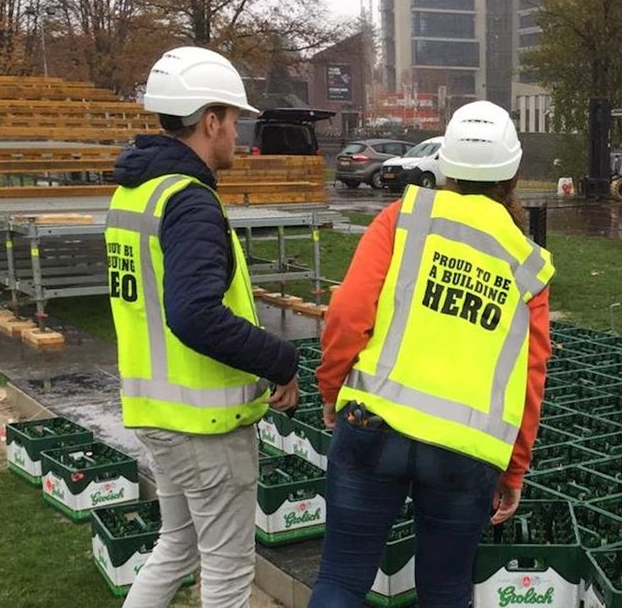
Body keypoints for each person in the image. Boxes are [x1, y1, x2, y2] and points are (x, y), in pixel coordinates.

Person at [309, 101, 553, 607]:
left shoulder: (405, 218)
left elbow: (348, 312)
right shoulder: (527, 262)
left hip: (372, 424)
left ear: (446, 164)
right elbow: (532, 376)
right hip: (464, 453)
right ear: (512, 174)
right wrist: (514, 470)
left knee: (340, 579)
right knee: (444, 593)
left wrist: (332, 390)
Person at [105, 46, 299, 608]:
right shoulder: (189, 201)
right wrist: (279, 359)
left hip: (157, 414)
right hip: (204, 427)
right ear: (210, 121)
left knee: (177, 547)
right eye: (234, 120)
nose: (237, 133)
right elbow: (194, 314)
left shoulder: (135, 190)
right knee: (228, 575)